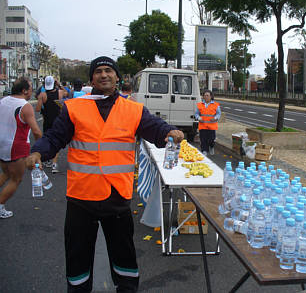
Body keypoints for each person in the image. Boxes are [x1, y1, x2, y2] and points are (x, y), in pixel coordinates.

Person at [25, 56, 184, 292]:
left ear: (117, 77)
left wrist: (169, 132)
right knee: (78, 259)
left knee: (124, 258)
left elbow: (154, 127)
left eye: (109, 70)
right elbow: (54, 137)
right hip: (81, 197)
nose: (103, 75)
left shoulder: (134, 109)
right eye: (98, 71)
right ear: (92, 78)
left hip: (117, 197)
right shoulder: (74, 108)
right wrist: (38, 152)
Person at [0, 77, 42, 218]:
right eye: (30, 88)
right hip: (16, 145)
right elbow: (36, 131)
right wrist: (41, 148)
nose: (32, 91)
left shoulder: (3, 100)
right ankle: (0, 205)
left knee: (6, 173)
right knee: (16, 179)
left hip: (2, 143)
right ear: (24, 91)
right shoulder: (25, 106)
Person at [36, 75, 64, 173]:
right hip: (58, 121)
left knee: (47, 141)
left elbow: (38, 109)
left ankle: (47, 160)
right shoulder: (60, 93)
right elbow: (63, 104)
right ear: (54, 83)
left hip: (47, 121)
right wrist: (59, 84)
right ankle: (54, 164)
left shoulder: (42, 95)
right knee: (57, 142)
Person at [195, 89, 221, 155]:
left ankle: (211, 146)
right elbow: (196, 114)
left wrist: (215, 118)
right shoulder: (199, 105)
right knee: (203, 140)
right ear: (203, 96)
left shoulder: (216, 105)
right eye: (205, 95)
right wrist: (199, 118)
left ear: (211, 96)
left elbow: (218, 114)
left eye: (207, 95)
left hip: (212, 126)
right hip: (202, 126)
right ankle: (204, 151)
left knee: (211, 140)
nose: (206, 97)